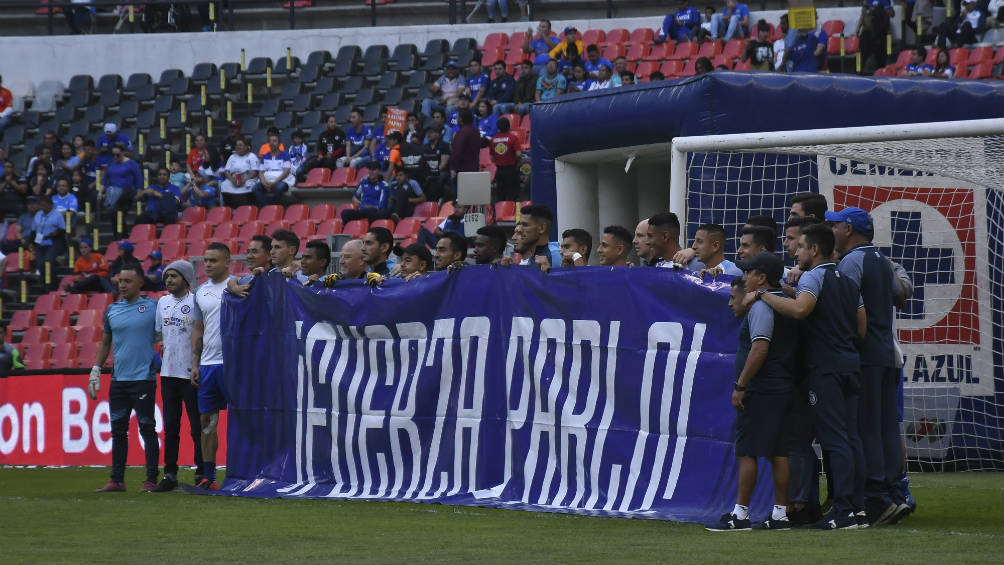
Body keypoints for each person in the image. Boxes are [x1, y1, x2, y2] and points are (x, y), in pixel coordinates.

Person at [758, 223, 867, 530]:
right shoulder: (846, 279)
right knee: (850, 439)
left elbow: (800, 310)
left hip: (826, 368)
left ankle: (842, 511)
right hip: (850, 364)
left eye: (802, 247)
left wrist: (766, 295)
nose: (798, 252)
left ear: (814, 250)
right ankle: (856, 509)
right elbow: (861, 328)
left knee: (835, 441)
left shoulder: (812, 276)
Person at [828, 206, 907, 525]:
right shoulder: (881, 260)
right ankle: (893, 491)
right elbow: (900, 294)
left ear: (848, 230)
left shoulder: (852, 261)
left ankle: (877, 498)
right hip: (888, 354)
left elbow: (842, 306)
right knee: (887, 426)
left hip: (866, 356)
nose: (831, 230)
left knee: (866, 428)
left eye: (835, 225)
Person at [707, 253, 796, 531]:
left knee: (747, 451)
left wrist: (741, 385)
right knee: (777, 451)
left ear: (762, 277)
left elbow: (759, 348)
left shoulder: (760, 307)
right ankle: (780, 514)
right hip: (782, 384)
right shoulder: (784, 302)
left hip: (761, 387)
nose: (745, 278)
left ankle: (740, 515)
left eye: (749, 273)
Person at [89, 265, 161, 492]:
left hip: (143, 379)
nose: (122, 285)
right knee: (118, 431)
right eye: (120, 281)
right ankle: (117, 480)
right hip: (118, 380)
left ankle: (151, 480)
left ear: (140, 283)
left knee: (147, 429)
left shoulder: (153, 307)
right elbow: (105, 342)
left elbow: (165, 335)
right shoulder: (111, 310)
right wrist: (96, 369)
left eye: (128, 281)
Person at [151, 260, 204, 492]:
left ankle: (202, 471)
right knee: (171, 426)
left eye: (174, 276)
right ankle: (170, 474)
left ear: (186, 278)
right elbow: (158, 334)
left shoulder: (196, 302)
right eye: (167, 276)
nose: (169, 280)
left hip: (190, 372)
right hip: (168, 372)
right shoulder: (162, 302)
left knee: (196, 426)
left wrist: (197, 364)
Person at [190, 242, 233, 490]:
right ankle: (209, 476)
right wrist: (195, 363)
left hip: (232, 364)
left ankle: (243, 473)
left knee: (241, 419)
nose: (207, 264)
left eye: (213, 260)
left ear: (227, 261)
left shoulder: (239, 285)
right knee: (207, 421)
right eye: (205, 260)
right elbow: (198, 329)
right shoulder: (200, 292)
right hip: (208, 364)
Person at [25, 194, 66, 271]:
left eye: (44, 205)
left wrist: (55, 233)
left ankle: (51, 281)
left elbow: (62, 230)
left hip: (54, 241)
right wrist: (30, 242)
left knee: (48, 260)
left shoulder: (58, 215)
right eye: (41, 205)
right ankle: (43, 281)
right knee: (40, 263)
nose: (42, 207)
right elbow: (33, 230)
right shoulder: (38, 214)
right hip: (39, 240)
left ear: (50, 205)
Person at [449, 108, 481, 201]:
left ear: (462, 119)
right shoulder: (475, 131)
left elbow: (457, 152)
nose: (456, 119)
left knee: (459, 200)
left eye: (458, 117)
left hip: (462, 172)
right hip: (473, 168)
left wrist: (453, 168)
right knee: (470, 199)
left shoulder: (462, 133)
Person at [100, 143, 143, 214]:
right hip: (112, 190)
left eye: (117, 155)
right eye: (113, 155)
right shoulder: (111, 163)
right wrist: (100, 192)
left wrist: (139, 192)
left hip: (126, 191)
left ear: (123, 153)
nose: (115, 157)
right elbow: (105, 178)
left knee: (117, 197)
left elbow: (138, 178)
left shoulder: (131, 163)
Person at [517, 204, 561, 269]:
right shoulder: (533, 256)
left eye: (525, 225)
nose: (519, 230)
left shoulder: (555, 256)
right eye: (520, 225)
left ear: (542, 228)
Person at [489, 117, 522, 203]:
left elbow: (492, 158)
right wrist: (514, 160)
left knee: (500, 196)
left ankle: (500, 214)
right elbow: (518, 154)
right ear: (509, 126)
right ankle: (512, 214)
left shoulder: (493, 139)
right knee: (513, 196)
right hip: (511, 170)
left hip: (499, 171)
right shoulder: (513, 138)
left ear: (498, 127)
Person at [220, 138, 259, 207]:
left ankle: (247, 207)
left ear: (247, 147)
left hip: (247, 178)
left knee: (249, 185)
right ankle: (228, 207)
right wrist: (232, 180)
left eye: (240, 145)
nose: (238, 147)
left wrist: (244, 181)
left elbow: (255, 171)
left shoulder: (252, 156)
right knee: (224, 185)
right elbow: (226, 171)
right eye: (237, 145)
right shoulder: (232, 156)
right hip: (234, 179)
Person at [255, 132, 292, 207]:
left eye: (274, 141)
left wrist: (274, 183)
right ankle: (268, 206)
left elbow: (286, 172)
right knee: (255, 188)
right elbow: (261, 172)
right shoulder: (264, 156)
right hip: (267, 181)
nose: (272, 143)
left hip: (281, 181)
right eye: (270, 141)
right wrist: (264, 183)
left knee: (278, 188)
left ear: (279, 144)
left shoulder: (285, 155)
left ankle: (272, 206)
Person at [421, 127, 451, 202]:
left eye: (431, 132)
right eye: (427, 133)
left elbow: (443, 164)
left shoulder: (444, 145)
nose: (428, 134)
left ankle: (438, 200)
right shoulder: (425, 147)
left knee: (437, 179)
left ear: (437, 134)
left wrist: (434, 172)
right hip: (428, 172)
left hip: (442, 171)